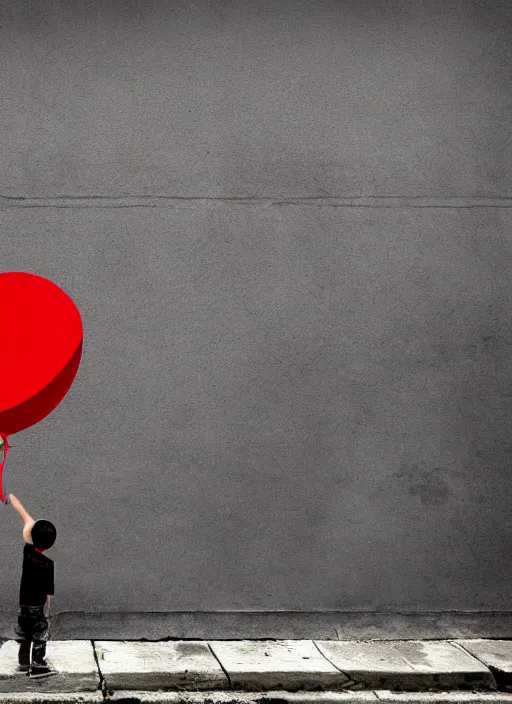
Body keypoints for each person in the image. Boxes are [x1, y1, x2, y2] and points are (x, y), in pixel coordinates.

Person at [9, 493, 57, 679]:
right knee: (39, 632)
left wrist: (15, 502)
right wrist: (47, 607)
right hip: (37, 605)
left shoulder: (27, 552)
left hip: (24, 603)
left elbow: (27, 523)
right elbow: (49, 591)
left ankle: (23, 662)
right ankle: (38, 665)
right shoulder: (48, 564)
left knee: (25, 632)